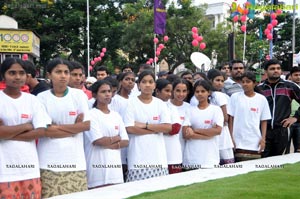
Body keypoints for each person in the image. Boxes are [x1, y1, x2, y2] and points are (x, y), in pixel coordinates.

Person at [37, 58, 90, 198]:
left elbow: (86, 125)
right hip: (49, 161)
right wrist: (74, 128)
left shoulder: (79, 95)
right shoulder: (41, 98)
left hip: (75, 161)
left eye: (66, 72)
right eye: (58, 72)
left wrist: (56, 127)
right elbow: (45, 130)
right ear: (49, 75)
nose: (63, 75)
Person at [0, 58, 49, 199]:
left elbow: (41, 131)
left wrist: (6, 133)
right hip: (4, 171)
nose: (17, 77)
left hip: (30, 169)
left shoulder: (33, 100)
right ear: (3, 75)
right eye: (12, 73)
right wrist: (26, 126)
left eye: (21, 73)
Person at [123, 70, 172, 182]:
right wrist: (155, 129)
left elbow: (167, 127)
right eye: (144, 82)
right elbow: (129, 128)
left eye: (150, 82)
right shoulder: (131, 103)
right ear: (139, 85)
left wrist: (144, 125)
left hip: (158, 157)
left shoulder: (160, 104)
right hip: (138, 157)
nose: (147, 85)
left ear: (154, 85)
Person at [84, 80, 129, 189]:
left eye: (109, 91)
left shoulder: (116, 115)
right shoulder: (90, 115)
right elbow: (98, 140)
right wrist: (116, 138)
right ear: (94, 95)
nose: (108, 94)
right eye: (103, 92)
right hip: (97, 170)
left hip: (115, 171)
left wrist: (112, 144)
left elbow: (126, 141)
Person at [258, 59, 300, 157]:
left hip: (282, 129)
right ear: (265, 71)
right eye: (272, 69)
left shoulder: (290, 86)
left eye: (278, 68)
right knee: (262, 160)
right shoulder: (260, 89)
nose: (276, 71)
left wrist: (295, 117)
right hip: (264, 131)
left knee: (280, 161)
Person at [228, 71, 271, 162]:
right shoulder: (235, 97)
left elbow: (264, 121)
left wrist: (263, 139)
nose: (245, 84)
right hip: (238, 140)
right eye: (243, 82)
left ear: (255, 83)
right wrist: (231, 138)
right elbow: (231, 118)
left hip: (254, 141)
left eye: (248, 81)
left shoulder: (261, 99)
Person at [182, 80, 223, 169]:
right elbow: (185, 134)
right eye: (197, 91)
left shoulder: (216, 110)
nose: (200, 94)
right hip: (191, 158)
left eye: (203, 91)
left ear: (209, 92)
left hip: (210, 159)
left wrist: (195, 130)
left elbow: (217, 131)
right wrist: (207, 135)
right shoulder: (190, 110)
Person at [109, 71, 136, 181]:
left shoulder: (135, 99)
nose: (130, 82)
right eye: (127, 79)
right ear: (120, 82)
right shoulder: (115, 100)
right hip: (120, 138)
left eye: (133, 80)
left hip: (133, 138)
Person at [207, 69, 235, 165]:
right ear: (210, 81)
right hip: (215, 132)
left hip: (221, 132)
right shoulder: (212, 95)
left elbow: (226, 118)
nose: (220, 83)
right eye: (217, 80)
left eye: (222, 81)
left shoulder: (220, 95)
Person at [155, 79, 182, 174]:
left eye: (171, 91)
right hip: (154, 153)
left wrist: (151, 128)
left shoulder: (171, 107)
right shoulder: (151, 106)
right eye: (166, 91)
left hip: (172, 154)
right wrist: (162, 128)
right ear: (157, 91)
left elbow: (175, 128)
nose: (170, 94)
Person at [170, 79, 191, 157]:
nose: (181, 94)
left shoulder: (189, 107)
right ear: (173, 90)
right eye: (178, 90)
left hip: (184, 149)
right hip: (169, 148)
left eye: (184, 91)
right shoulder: (165, 105)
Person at [287, 66, 300, 153]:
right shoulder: (287, 88)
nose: (298, 77)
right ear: (291, 76)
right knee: (285, 149)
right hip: (286, 121)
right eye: (296, 75)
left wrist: (296, 116)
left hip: (298, 121)